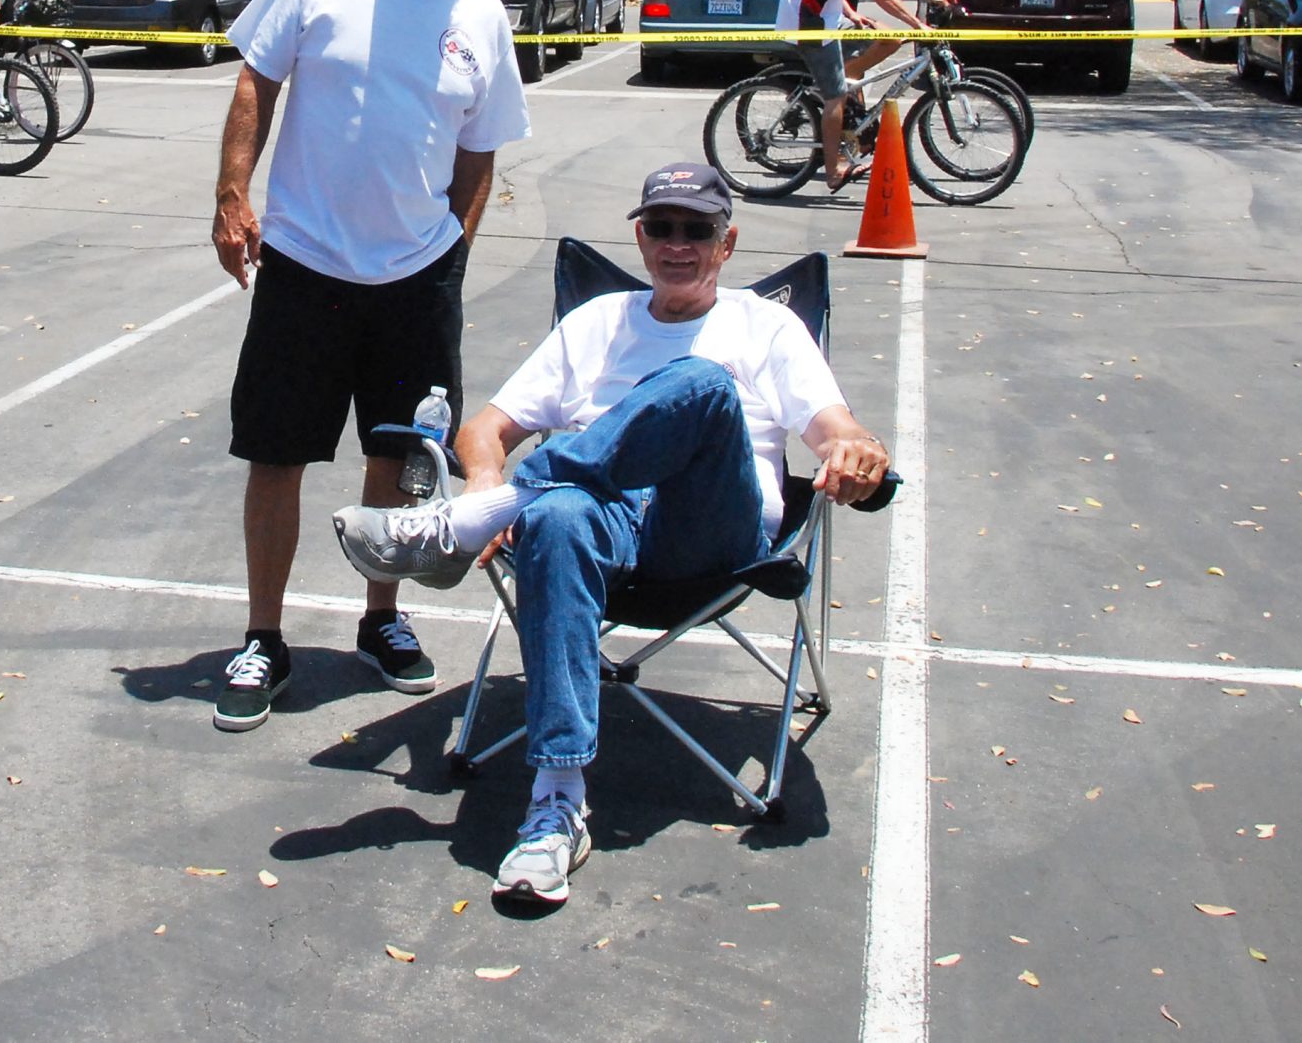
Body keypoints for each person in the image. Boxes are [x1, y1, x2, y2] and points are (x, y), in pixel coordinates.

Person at [330, 162, 892, 904]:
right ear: (640, 234)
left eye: (698, 229)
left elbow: (834, 428)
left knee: (704, 384)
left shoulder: (765, 324)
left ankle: (473, 526)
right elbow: (487, 428)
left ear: (728, 243)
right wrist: (484, 476)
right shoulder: (597, 322)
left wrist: (857, 451)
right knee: (559, 515)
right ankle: (556, 805)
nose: (678, 244)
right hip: (600, 524)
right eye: (662, 227)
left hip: (706, 531)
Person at [208, 0, 531, 733]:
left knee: (397, 461)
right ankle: (263, 638)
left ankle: (380, 620)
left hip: (415, 279)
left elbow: (478, 156)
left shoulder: (483, 15)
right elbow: (255, 81)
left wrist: (450, 258)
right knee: (277, 454)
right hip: (304, 267)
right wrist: (233, 193)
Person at [777, 0, 932, 192]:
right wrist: (918, 25)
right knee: (835, 97)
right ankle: (834, 169)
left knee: (890, 38)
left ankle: (845, 77)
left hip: (830, 19)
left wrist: (851, 13)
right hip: (811, 27)